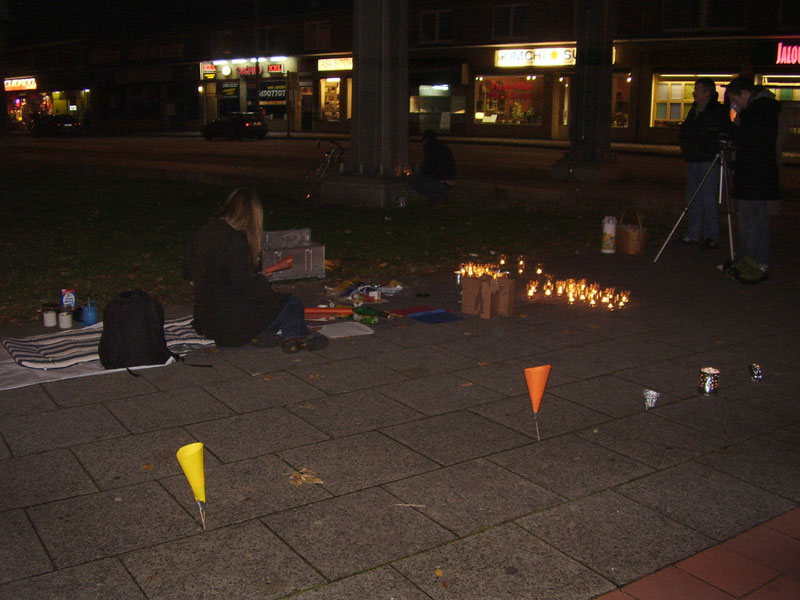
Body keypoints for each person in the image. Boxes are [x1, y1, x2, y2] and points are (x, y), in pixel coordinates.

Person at [182, 188, 327, 352]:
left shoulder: (202, 232)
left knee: (267, 304)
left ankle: (262, 334)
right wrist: (262, 279)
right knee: (290, 303)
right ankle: (295, 336)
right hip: (229, 327)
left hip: (206, 321)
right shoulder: (235, 242)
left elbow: (188, 273)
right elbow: (247, 289)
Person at [724, 76, 780, 279]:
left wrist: (735, 118)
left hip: (752, 174)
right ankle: (758, 260)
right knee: (758, 219)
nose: (736, 105)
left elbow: (743, 138)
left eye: (736, 100)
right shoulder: (766, 109)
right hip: (760, 174)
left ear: (745, 94)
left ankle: (749, 261)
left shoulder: (756, 112)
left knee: (749, 220)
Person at [678, 77, 731, 248]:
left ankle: (711, 235)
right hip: (693, 158)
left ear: (707, 92)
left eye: (697, 89)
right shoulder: (694, 109)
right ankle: (693, 233)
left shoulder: (717, 110)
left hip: (708, 159)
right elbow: (687, 131)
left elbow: (719, 132)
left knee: (708, 198)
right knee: (693, 197)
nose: (694, 92)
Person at [410, 129, 456, 205]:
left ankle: (435, 198)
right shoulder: (443, 146)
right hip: (450, 179)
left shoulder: (430, 148)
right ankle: (439, 196)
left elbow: (428, 167)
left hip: (441, 179)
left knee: (414, 180)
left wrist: (419, 173)